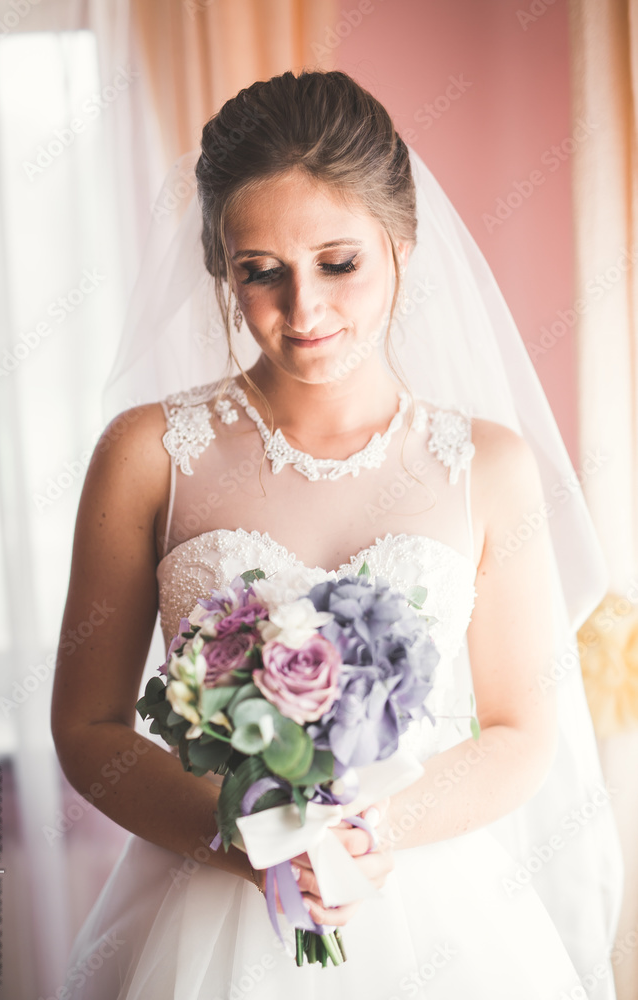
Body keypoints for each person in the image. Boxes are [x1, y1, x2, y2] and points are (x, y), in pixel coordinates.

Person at [51, 69, 622, 999]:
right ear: (221, 269)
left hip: (437, 909)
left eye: (338, 263)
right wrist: (247, 841)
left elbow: (521, 732)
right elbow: (86, 728)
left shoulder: (487, 465)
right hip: (201, 907)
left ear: (401, 245)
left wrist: (367, 835)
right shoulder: (146, 454)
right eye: (259, 271)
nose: (304, 309)